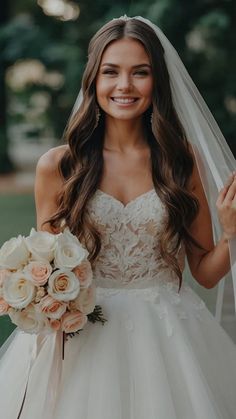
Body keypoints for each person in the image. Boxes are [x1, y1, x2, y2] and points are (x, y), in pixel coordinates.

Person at [0, 15, 236, 419]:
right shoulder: (59, 166)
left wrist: (232, 234)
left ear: (157, 81)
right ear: (93, 79)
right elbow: (49, 269)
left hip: (170, 339)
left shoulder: (182, 162)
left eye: (139, 73)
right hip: (84, 339)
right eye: (111, 72)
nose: (124, 86)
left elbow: (206, 272)